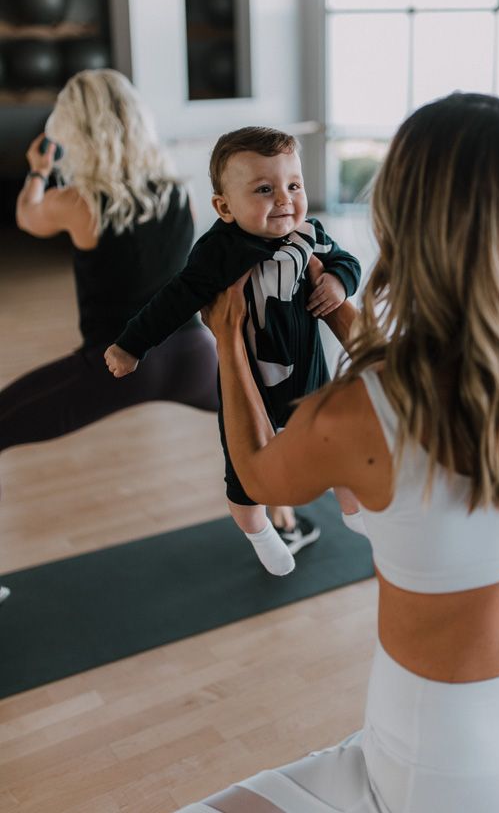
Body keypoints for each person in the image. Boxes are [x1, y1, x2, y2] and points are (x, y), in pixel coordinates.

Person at [176, 93, 499, 813]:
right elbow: (415, 394)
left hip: (446, 770)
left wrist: (228, 341)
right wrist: (341, 312)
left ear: (403, 220)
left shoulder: (358, 414)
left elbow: (262, 473)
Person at [0, 71, 309, 603]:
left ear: (76, 129)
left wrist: (37, 171)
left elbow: (27, 218)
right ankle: (288, 522)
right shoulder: (177, 192)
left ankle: (283, 519)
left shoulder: (78, 201)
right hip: (191, 355)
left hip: (115, 368)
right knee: (261, 430)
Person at [104, 127, 365, 578]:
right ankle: (261, 534)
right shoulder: (220, 252)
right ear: (224, 207)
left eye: (293, 185)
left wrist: (339, 281)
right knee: (244, 475)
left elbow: (347, 260)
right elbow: (174, 299)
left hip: (309, 379)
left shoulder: (308, 234)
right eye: (264, 189)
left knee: (338, 448)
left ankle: (358, 517)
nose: (284, 199)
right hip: (251, 389)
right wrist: (131, 344)